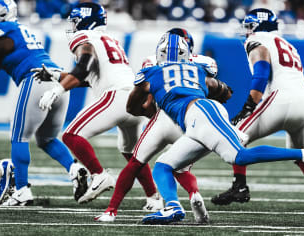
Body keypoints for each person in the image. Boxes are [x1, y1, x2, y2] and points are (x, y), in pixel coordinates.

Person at [126, 32, 304, 224]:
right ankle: (172, 207)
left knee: (238, 156)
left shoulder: (149, 75)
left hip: (201, 114)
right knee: (164, 165)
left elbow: (132, 108)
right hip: (199, 116)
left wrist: (152, 107)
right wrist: (218, 90)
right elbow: (224, 91)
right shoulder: (199, 68)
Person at [94, 28, 228, 223]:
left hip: (162, 117)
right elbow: (217, 91)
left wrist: (149, 114)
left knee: (135, 164)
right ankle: (193, 194)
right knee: (181, 168)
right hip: (189, 120)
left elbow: (139, 104)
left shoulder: (151, 65)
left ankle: (111, 211)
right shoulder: (204, 64)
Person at [211, 8, 304, 213]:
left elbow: (261, 74)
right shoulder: (287, 44)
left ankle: (239, 186)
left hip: (282, 98)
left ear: (257, 26)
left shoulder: (257, 40)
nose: (246, 31)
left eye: (249, 26)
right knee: (302, 155)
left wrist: (249, 105)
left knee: (233, 137)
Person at [35, 2, 157, 205]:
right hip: (133, 99)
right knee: (132, 152)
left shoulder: (85, 37)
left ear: (85, 20)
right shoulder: (109, 38)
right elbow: (89, 76)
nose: (73, 27)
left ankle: (99, 175)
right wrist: (57, 76)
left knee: (71, 135)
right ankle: (153, 198)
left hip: (115, 97)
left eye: (75, 21)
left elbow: (84, 65)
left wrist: (57, 90)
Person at [0, 0, 87, 206]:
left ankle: (22, 190)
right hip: (58, 80)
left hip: (35, 80)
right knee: (47, 139)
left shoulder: (2, 33)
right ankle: (73, 168)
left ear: (2, 14)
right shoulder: (17, 31)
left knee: (18, 136)